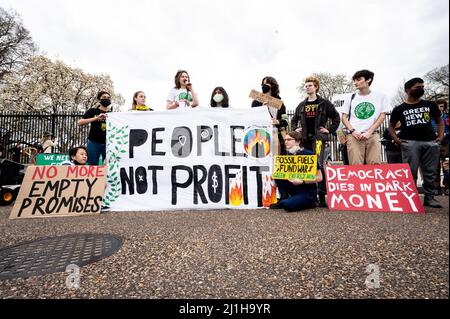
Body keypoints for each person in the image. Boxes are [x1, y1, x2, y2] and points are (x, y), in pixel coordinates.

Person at [388, 77, 444, 208]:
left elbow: (439, 121)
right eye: (417, 87)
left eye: (422, 87)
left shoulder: (430, 105)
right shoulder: (399, 108)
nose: (421, 89)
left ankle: (430, 198)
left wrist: (440, 137)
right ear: (407, 90)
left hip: (430, 142)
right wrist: (397, 140)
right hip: (410, 143)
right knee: (410, 172)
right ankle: (410, 199)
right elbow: (390, 126)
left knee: (430, 172)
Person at [291, 76, 340, 207]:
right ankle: (311, 196)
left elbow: (336, 117)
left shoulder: (324, 103)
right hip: (305, 139)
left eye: (310, 85)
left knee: (318, 164)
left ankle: (322, 195)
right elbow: (294, 120)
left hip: (318, 139)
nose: (307, 88)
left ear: (316, 87)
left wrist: (329, 130)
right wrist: (296, 128)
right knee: (306, 165)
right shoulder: (302, 104)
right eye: (306, 86)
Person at [341, 70, 390, 165]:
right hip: (354, 136)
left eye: (359, 80)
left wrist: (369, 132)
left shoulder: (381, 96)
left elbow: (382, 115)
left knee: (375, 165)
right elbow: (344, 117)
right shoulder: (350, 97)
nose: (355, 83)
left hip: (373, 135)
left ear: (368, 80)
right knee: (356, 166)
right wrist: (353, 131)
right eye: (354, 80)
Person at [269, 131, 322, 212]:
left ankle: (312, 202)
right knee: (278, 174)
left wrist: (302, 181)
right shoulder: (287, 156)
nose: (286, 142)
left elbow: (319, 178)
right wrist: (275, 176)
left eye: (289, 140)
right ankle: (284, 198)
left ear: (298, 141)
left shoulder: (309, 155)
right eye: (285, 140)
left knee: (287, 205)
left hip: (307, 192)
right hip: (293, 190)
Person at [251, 76, 289, 155]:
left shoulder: (280, 103)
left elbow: (286, 121)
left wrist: (277, 121)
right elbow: (253, 118)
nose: (263, 86)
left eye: (266, 83)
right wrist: (262, 108)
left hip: (276, 134)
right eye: (262, 84)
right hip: (262, 134)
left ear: (272, 85)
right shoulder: (256, 102)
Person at [78, 91, 111, 165]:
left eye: (108, 98)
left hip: (108, 144)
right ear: (99, 99)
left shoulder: (112, 114)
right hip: (94, 142)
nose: (107, 99)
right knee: (92, 165)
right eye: (104, 97)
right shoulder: (93, 111)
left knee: (108, 165)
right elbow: (80, 122)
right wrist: (96, 118)